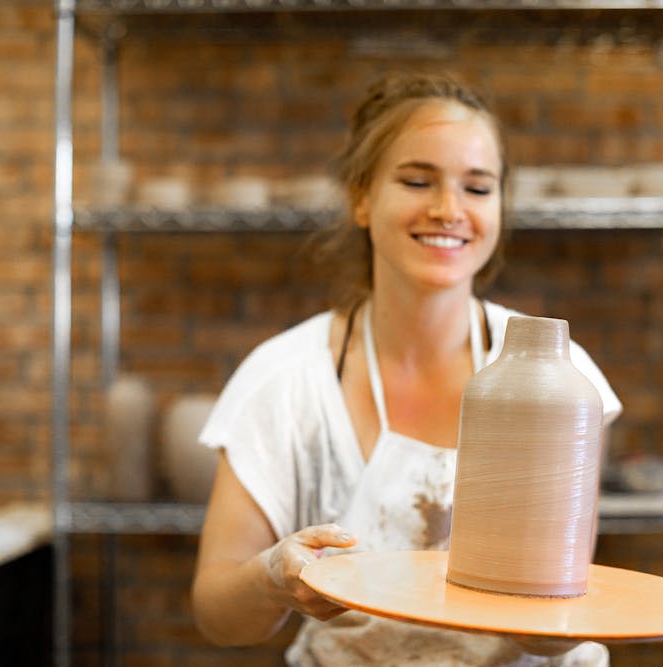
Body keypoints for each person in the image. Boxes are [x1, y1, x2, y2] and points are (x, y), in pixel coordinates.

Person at [191, 71, 623, 666]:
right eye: (417, 181)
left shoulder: (562, 382)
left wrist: (556, 616)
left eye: (478, 188)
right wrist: (271, 579)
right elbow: (217, 614)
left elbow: (551, 622)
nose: (448, 210)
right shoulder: (286, 378)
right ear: (361, 198)